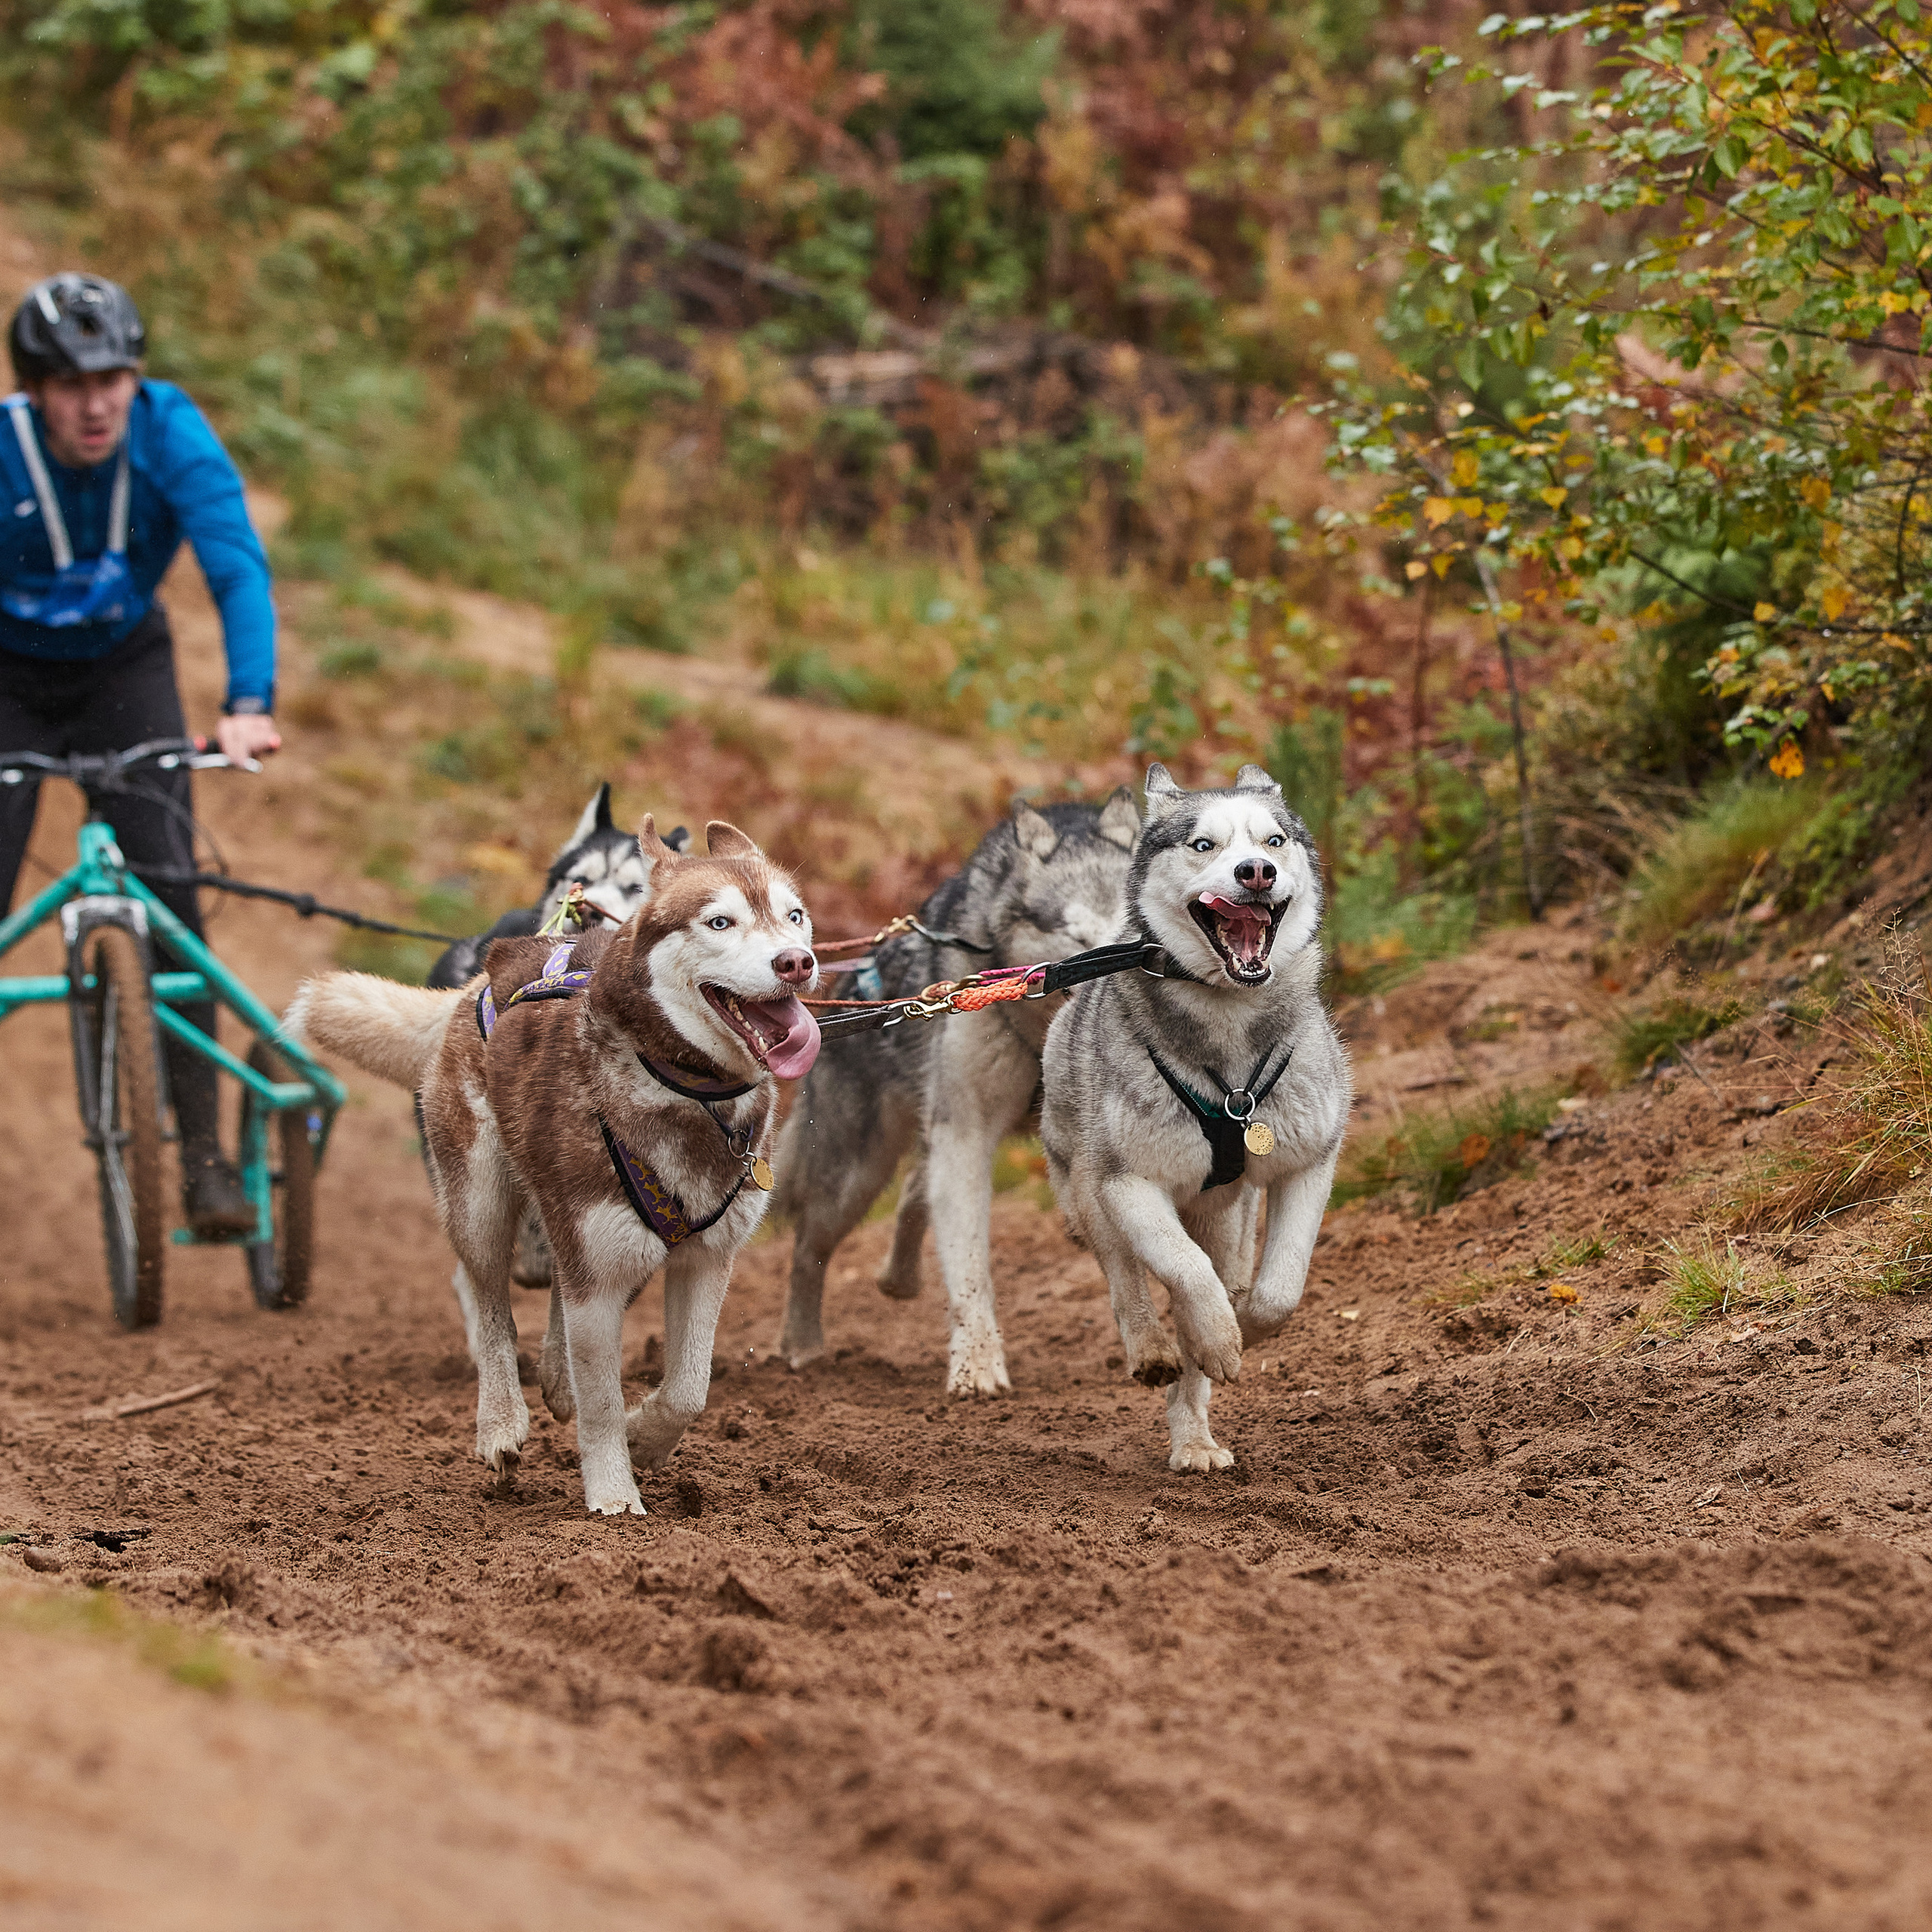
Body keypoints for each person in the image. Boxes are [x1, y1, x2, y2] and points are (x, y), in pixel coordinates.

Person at [0, 272, 283, 1234]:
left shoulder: (169, 432)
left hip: (125, 671)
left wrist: (248, 702)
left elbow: (234, 562)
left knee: (171, 898)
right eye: (72, 385)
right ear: (34, 390)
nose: (97, 405)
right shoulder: (3, 453)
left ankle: (202, 1158)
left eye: (112, 379)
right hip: (9, 682)